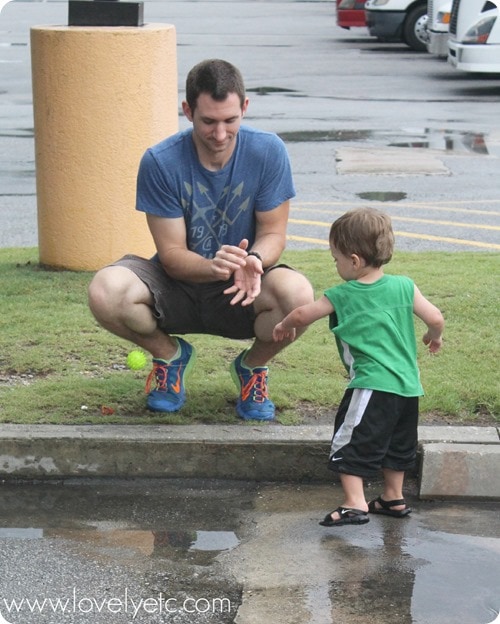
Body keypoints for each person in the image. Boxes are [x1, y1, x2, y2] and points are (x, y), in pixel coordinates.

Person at [88, 59, 314, 421]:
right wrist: (213, 267)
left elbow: (274, 233)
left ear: (245, 108)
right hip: (177, 284)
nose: (220, 134)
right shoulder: (160, 162)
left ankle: (252, 368)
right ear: (188, 111)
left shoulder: (268, 151)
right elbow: (173, 254)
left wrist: (254, 260)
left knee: (299, 296)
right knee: (105, 290)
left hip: (244, 286)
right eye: (208, 121)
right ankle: (169, 357)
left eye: (230, 121)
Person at [273, 207, 444, 526]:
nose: (336, 265)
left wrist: (283, 325)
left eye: (335, 259)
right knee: (398, 443)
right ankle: (393, 498)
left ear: (353, 260)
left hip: (370, 385)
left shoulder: (343, 294)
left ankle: (355, 503)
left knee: (350, 440)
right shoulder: (405, 286)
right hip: (408, 388)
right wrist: (434, 337)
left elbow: (301, 315)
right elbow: (435, 317)